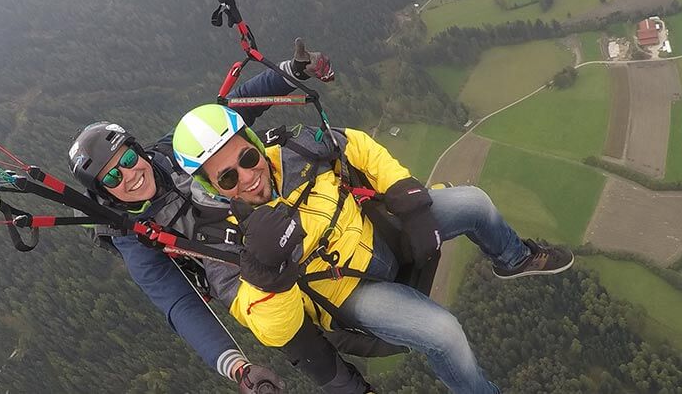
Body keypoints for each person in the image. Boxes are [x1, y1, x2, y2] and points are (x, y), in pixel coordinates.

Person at [169, 104, 575, 394]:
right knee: (445, 333)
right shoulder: (218, 239)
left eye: (247, 156)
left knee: (474, 202)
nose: (248, 176)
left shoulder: (292, 151)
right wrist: (264, 272)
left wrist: (409, 201)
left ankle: (514, 258)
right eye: (226, 177)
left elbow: (355, 147)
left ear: (255, 143)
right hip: (348, 294)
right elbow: (273, 330)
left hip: (381, 232)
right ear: (208, 186)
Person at [64, 42, 334, 393]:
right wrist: (238, 368)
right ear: (104, 193)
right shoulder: (135, 238)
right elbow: (179, 304)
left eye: (128, 160)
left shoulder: (170, 153)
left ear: (137, 149)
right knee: (326, 366)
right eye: (113, 178)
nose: (130, 175)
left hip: (280, 226)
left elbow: (233, 108)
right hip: (243, 280)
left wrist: (292, 70)